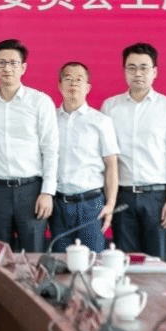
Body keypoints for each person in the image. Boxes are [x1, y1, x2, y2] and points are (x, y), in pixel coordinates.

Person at [101, 42, 166, 259]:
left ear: (154, 72)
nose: (137, 73)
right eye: (131, 68)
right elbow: (104, 157)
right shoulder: (110, 107)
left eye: (143, 68)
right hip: (122, 196)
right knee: (124, 262)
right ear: (124, 71)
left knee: (157, 264)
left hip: (156, 196)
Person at [0, 38, 59, 253]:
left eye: (13, 63)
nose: (7, 68)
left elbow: (50, 150)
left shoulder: (40, 101)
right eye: (1, 63)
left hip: (31, 191)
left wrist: (47, 192)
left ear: (23, 68)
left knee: (33, 254)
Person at [51, 62, 119, 253]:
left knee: (93, 261)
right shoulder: (50, 120)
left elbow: (111, 165)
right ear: (60, 86)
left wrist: (111, 204)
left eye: (79, 79)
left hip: (91, 203)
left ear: (88, 87)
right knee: (60, 262)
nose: (73, 83)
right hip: (58, 204)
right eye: (68, 79)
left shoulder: (101, 121)